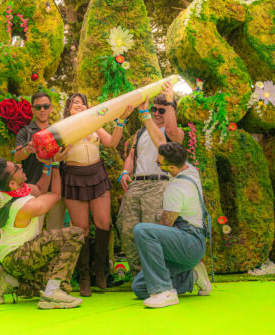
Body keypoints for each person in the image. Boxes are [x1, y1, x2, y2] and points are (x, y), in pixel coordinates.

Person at [58, 93, 133, 296]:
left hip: (97, 175)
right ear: (68, 108)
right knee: (80, 228)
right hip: (74, 177)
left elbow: (111, 142)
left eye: (83, 103)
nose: (79, 105)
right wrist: (57, 157)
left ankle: (100, 271)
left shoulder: (94, 124)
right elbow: (54, 153)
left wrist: (120, 121)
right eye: (75, 103)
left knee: (103, 222)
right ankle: (83, 277)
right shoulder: (64, 126)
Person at [0, 157, 85, 309]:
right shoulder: (24, 206)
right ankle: (52, 292)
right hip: (19, 256)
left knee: (62, 285)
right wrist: (56, 164)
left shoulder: (5, 190)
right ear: (12, 183)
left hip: (10, 258)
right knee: (75, 233)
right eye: (16, 168)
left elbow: (39, 190)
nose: (20, 165)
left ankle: (8, 279)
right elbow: (55, 195)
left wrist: (46, 165)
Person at [131, 142, 212, 308]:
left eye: (159, 164)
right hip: (193, 242)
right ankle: (193, 276)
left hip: (189, 244)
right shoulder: (190, 170)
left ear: (173, 168)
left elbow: (166, 226)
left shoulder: (175, 189)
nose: (157, 164)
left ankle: (164, 291)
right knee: (139, 287)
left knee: (143, 231)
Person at [117, 81, 184, 273]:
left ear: (170, 111)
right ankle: (140, 275)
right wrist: (125, 172)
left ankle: (157, 274)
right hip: (137, 184)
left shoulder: (174, 134)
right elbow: (131, 155)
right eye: (154, 109)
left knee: (153, 231)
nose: (156, 113)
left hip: (159, 184)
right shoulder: (141, 132)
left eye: (161, 111)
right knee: (127, 229)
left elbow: (166, 138)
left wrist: (168, 102)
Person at [14, 91, 66, 230]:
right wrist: (27, 149)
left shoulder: (58, 130)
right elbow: (17, 156)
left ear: (51, 108)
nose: (42, 110)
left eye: (45, 106)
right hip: (33, 190)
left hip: (55, 190)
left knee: (55, 234)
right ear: (32, 109)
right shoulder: (25, 131)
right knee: (33, 234)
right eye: (38, 107)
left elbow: (65, 154)